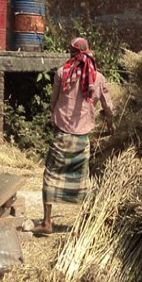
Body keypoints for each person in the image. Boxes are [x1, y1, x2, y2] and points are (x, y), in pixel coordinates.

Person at [35, 37, 115, 236]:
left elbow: (53, 103)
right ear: (88, 51)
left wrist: (57, 119)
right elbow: (109, 108)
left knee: (51, 176)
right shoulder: (98, 78)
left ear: (71, 53)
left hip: (61, 136)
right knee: (83, 181)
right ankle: (83, 223)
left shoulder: (62, 73)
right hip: (82, 139)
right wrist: (112, 126)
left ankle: (47, 223)